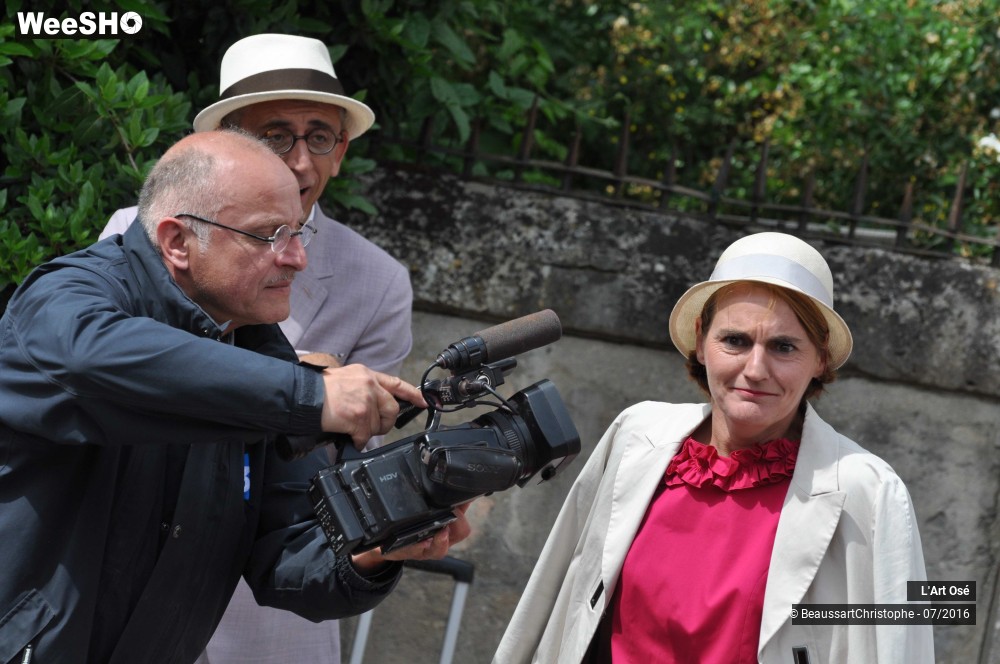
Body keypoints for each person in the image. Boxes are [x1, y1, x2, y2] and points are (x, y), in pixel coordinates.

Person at [0, 129, 468, 664]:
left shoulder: (262, 359)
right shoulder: (69, 294)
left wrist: (378, 547)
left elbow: (286, 551)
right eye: (269, 235)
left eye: (297, 234)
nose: (297, 259)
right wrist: (312, 396)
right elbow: (87, 357)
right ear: (177, 241)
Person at [99, 33, 413, 663]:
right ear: (231, 141)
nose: (299, 163)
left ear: (342, 151)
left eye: (319, 136)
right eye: (275, 135)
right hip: (129, 580)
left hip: (272, 614)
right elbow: (128, 377)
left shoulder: (377, 279)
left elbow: (349, 453)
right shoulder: (138, 235)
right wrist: (305, 382)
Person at [494, 232, 933, 663]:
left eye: (784, 346)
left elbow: (900, 644)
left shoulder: (867, 491)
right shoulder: (637, 436)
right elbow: (555, 597)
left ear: (819, 359)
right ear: (702, 341)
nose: (755, 369)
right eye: (736, 341)